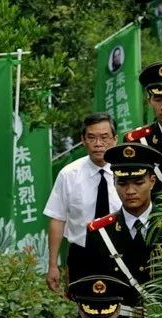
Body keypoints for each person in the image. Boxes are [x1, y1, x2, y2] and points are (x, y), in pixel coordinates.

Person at [83, 143, 161, 318]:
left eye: (138, 182)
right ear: (114, 183)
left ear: (152, 181)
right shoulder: (99, 233)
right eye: (123, 183)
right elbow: (87, 296)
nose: (130, 191)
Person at [44, 113, 121, 292]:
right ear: (83, 140)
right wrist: (53, 265)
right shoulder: (69, 174)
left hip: (121, 252)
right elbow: (57, 219)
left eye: (104, 137)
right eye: (92, 137)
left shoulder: (127, 172)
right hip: (82, 255)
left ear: (115, 139)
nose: (98, 143)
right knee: (84, 306)